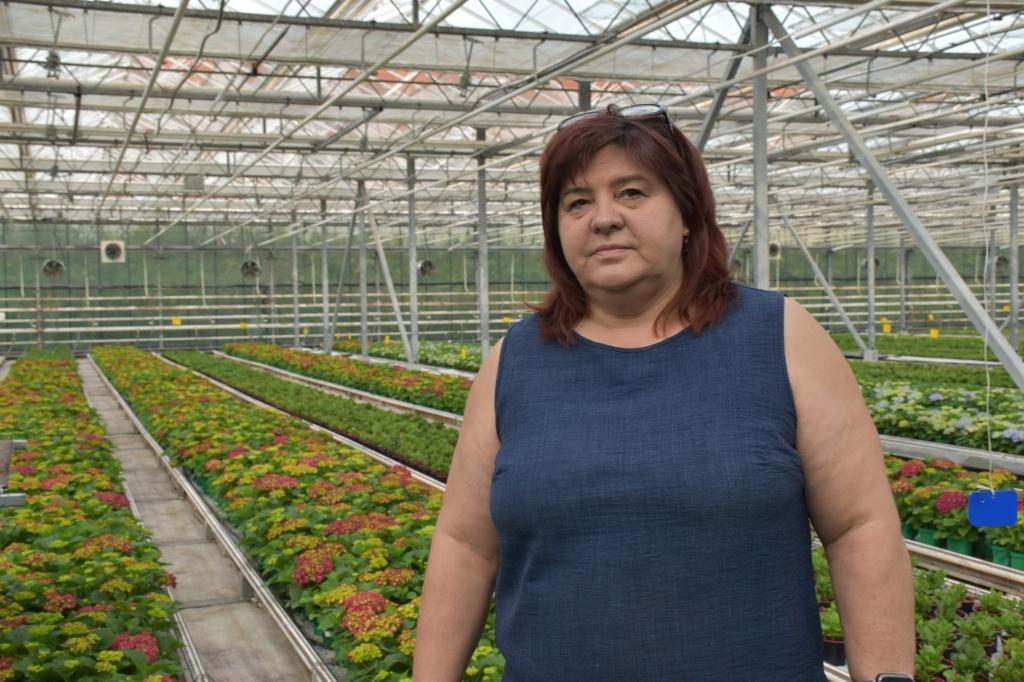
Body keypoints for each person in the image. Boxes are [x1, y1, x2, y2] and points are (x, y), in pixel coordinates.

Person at [412, 103, 914, 681]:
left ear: (688, 214)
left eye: (632, 192)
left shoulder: (780, 337)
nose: (603, 218)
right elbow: (466, 546)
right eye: (577, 202)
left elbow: (859, 528)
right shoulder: (514, 361)